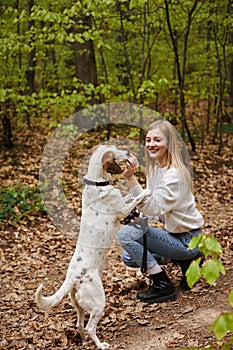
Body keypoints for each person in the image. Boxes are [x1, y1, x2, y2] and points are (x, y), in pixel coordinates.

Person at [118, 119, 204, 304]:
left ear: (169, 143)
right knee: (130, 257)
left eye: (157, 140)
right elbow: (151, 208)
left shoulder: (174, 175)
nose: (151, 144)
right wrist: (139, 217)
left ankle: (162, 284)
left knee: (125, 235)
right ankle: (185, 262)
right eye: (148, 140)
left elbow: (153, 206)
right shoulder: (155, 169)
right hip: (173, 234)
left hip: (188, 239)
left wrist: (131, 178)